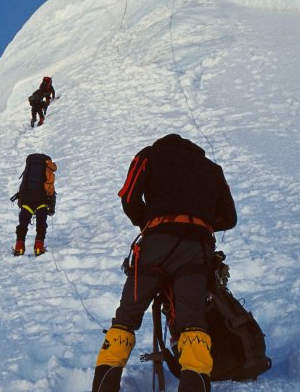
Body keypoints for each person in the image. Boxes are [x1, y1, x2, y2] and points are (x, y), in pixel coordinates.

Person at [92, 134, 237, 392]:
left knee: (126, 317)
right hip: (196, 248)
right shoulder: (212, 168)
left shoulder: (149, 155)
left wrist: (149, 223)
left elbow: (128, 198)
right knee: (192, 321)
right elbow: (229, 217)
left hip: (155, 244)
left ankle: (105, 386)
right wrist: (199, 221)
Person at [10, 153, 57, 256]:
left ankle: (19, 248)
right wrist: (51, 207)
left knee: (22, 225)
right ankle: (39, 247)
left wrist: (21, 203)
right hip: (42, 200)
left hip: (26, 199)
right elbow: (51, 190)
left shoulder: (28, 172)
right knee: (41, 225)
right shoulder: (47, 171)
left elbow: (22, 187)